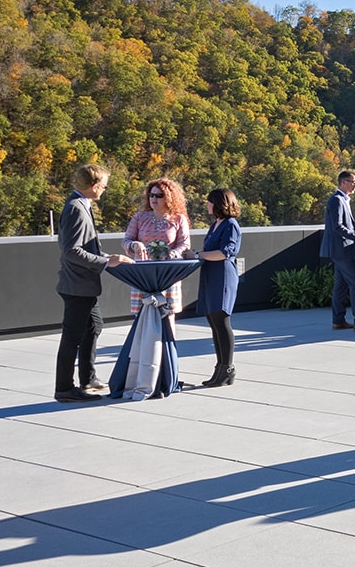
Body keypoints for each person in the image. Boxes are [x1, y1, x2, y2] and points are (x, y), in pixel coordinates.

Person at [54, 163, 129, 402]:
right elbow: (72, 251)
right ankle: (65, 388)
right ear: (94, 186)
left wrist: (108, 257)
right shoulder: (76, 208)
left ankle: (88, 377)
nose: (104, 191)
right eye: (104, 187)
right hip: (77, 285)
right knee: (72, 337)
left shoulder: (79, 204)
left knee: (94, 325)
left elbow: (84, 247)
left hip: (82, 285)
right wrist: (105, 263)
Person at [124, 178, 191, 338]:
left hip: (167, 273)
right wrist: (134, 245)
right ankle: (141, 355)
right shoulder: (140, 217)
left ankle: (167, 354)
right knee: (142, 313)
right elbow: (126, 240)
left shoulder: (178, 219)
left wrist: (170, 254)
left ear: (169, 197)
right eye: (151, 195)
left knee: (168, 314)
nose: (153, 199)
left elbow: (185, 245)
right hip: (143, 273)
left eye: (159, 195)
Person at [197, 188, 243, 387]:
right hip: (210, 275)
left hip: (222, 276)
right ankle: (220, 368)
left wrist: (199, 255)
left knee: (221, 321)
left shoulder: (231, 225)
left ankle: (227, 369)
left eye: (209, 201)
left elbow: (226, 252)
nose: (206, 204)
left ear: (219, 203)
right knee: (213, 321)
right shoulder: (215, 224)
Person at [320, 170, 355, 332]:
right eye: (352, 181)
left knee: (340, 286)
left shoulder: (342, 200)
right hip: (341, 250)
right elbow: (338, 226)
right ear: (342, 183)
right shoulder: (337, 200)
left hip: (340, 250)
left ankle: (338, 320)